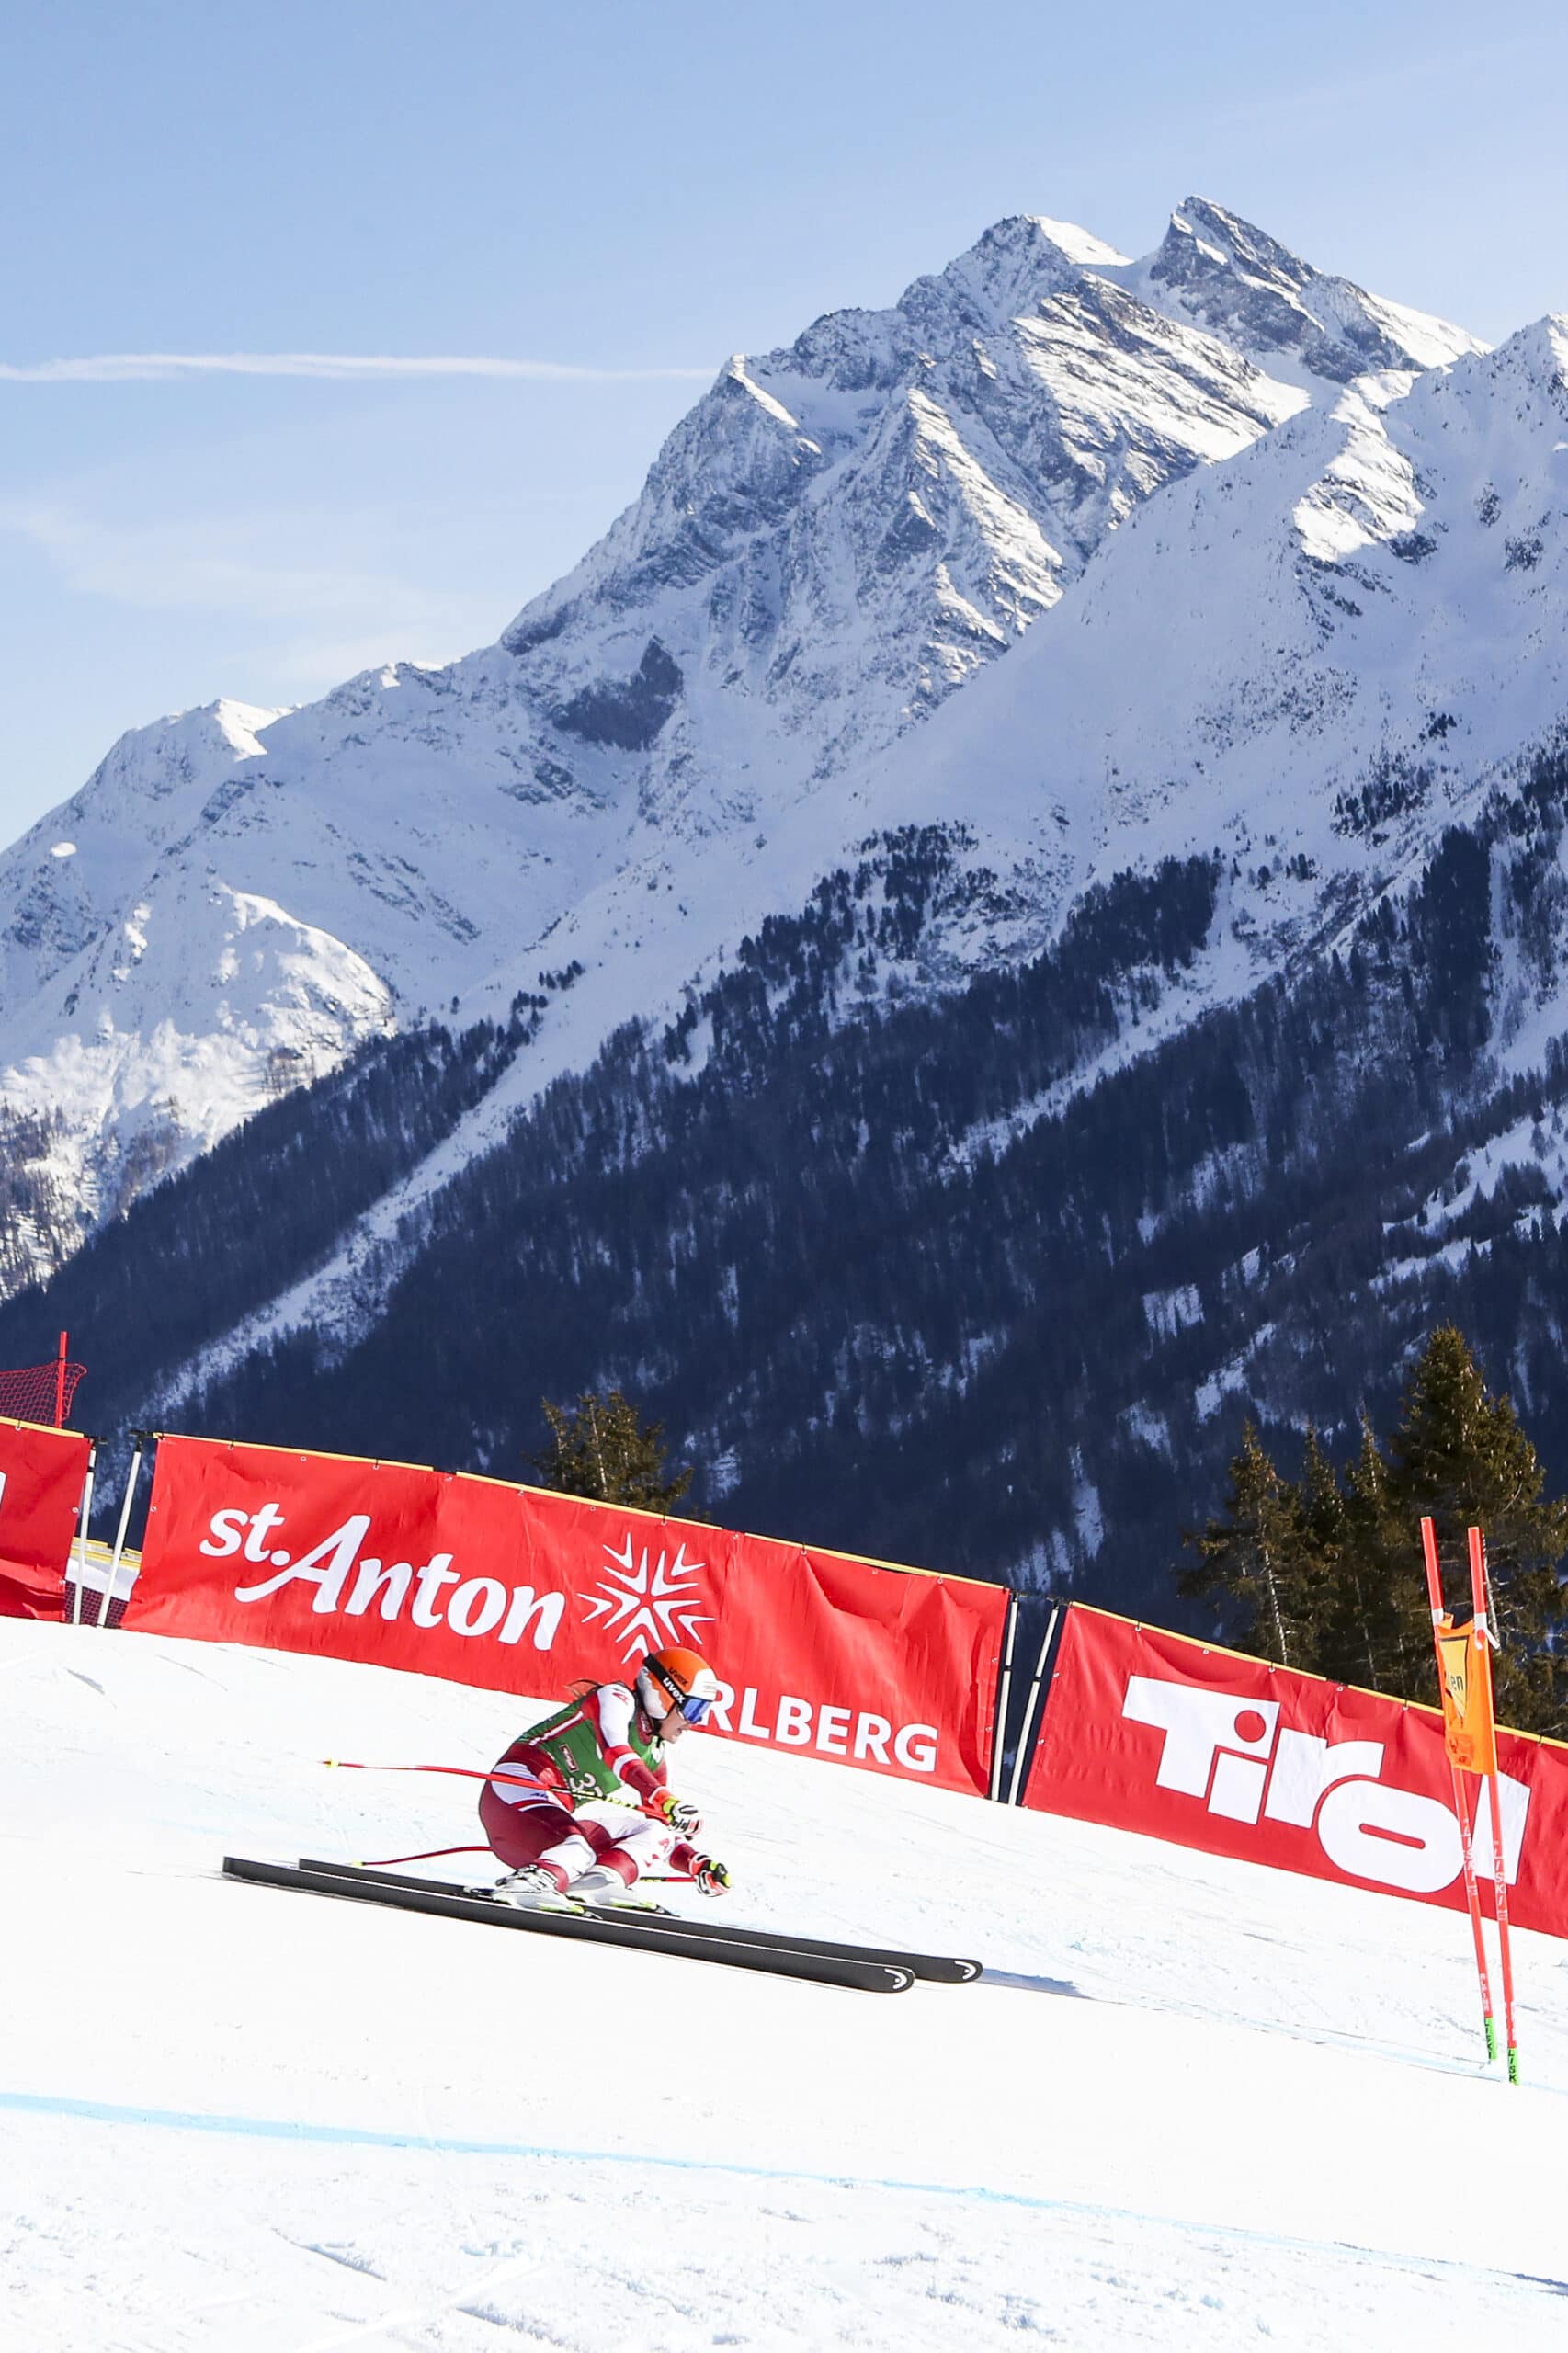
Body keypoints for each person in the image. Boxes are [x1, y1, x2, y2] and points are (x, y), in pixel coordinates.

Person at [475, 1645, 733, 1905]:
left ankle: (599, 1882)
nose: (694, 1722)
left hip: (546, 1831)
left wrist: (696, 1863)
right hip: (512, 1790)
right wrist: (665, 1799)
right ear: (662, 1695)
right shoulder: (616, 1698)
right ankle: (527, 1885)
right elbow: (615, 1751)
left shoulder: (654, 1755)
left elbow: (664, 1829)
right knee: (576, 1847)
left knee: (656, 1831)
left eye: (702, 1713)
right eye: (693, 1710)